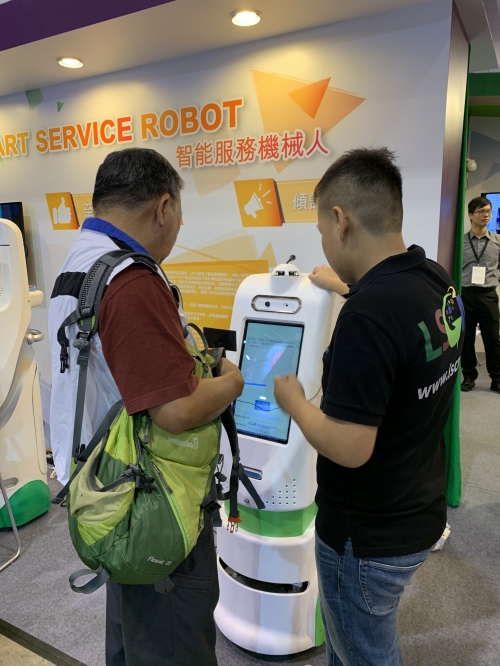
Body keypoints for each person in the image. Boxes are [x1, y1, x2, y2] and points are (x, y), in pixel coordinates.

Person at [49, 148, 244, 666]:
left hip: (106, 486)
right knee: (171, 640)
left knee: (133, 632)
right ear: (163, 208)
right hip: (152, 498)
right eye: (179, 213)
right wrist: (232, 382)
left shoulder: (79, 259)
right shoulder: (132, 280)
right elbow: (176, 410)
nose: (179, 226)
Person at [273, 148, 464, 666]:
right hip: (418, 509)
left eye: (321, 230)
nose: (323, 241)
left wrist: (295, 402)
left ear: (341, 221)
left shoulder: (367, 317)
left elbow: (350, 446)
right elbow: (399, 332)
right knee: (353, 643)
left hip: (365, 537)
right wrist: (342, 288)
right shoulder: (435, 280)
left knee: (364, 654)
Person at [460, 196, 500, 393]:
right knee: (466, 339)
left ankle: (497, 378)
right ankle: (469, 376)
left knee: (493, 339)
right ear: (470, 215)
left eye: (488, 211)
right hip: (466, 295)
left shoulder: (497, 241)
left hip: (488, 295)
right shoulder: (460, 242)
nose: (486, 215)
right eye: (481, 211)